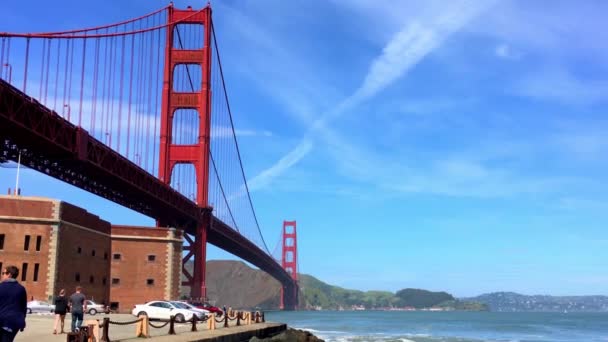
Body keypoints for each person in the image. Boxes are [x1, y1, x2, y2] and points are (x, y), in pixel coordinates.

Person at [0, 265, 27, 342]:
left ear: (9, 275)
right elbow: (23, 307)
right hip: (15, 322)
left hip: (2, 321)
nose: (2, 275)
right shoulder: (21, 289)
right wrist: (22, 320)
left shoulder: (1, 287)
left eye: (3, 273)